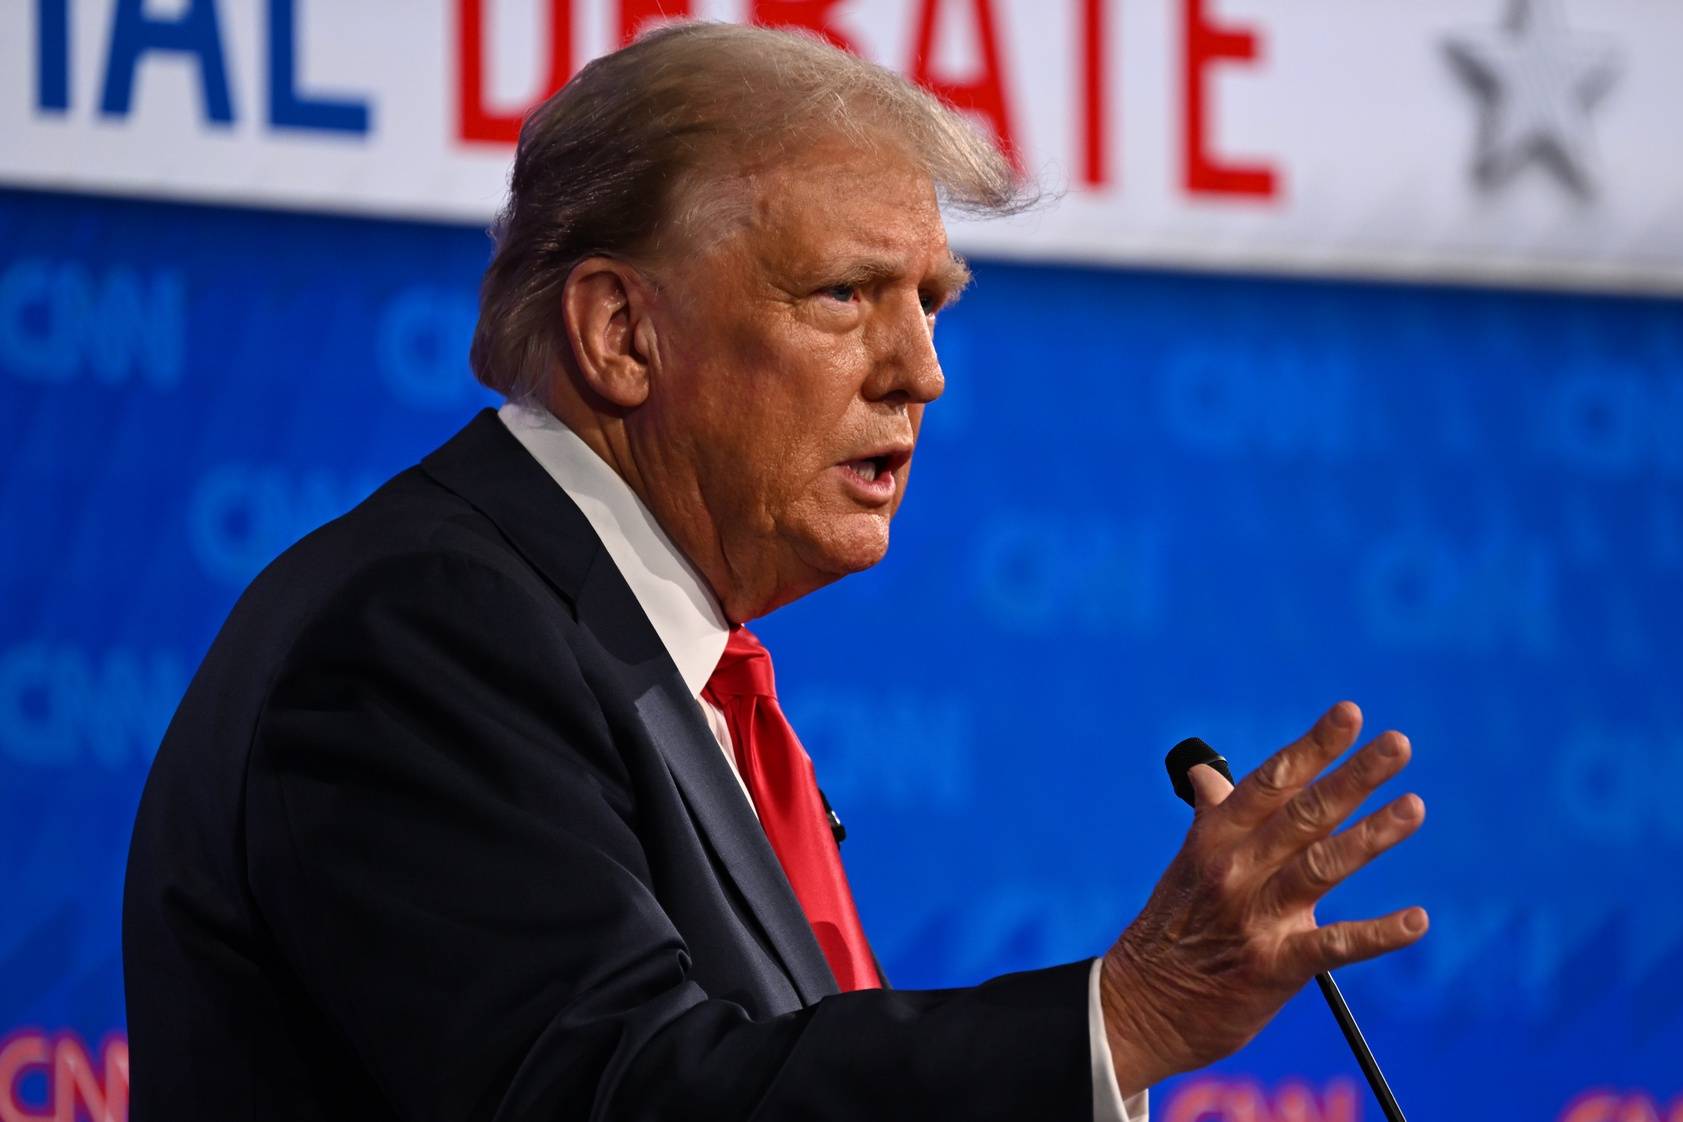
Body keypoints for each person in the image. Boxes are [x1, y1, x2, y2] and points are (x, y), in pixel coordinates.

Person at [123, 21, 1429, 1121]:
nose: (921, 369)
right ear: (622, 333)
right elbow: (617, 1095)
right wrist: (1122, 1014)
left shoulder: (654, 662)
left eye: (935, 301)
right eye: (846, 296)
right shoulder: (422, 631)